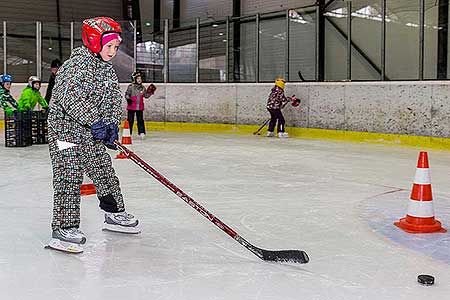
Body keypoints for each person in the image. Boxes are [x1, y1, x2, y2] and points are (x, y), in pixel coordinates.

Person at [46, 16, 140, 254]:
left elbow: (112, 101)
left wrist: (110, 126)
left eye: (115, 47)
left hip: (90, 133)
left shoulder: (107, 71)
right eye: (108, 46)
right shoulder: (74, 67)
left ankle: (114, 214)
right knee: (69, 174)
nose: (112, 51)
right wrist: (95, 122)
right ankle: (64, 228)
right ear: (93, 42)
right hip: (64, 133)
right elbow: (70, 99)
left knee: (103, 171)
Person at [125, 71, 156, 139]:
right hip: (131, 107)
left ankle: (141, 132)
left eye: (140, 78)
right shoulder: (131, 87)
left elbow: (146, 96)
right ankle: (128, 133)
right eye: (138, 78)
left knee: (140, 120)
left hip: (140, 107)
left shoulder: (143, 88)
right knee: (130, 120)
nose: (139, 80)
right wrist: (128, 99)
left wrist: (150, 92)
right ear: (134, 79)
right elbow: (127, 94)